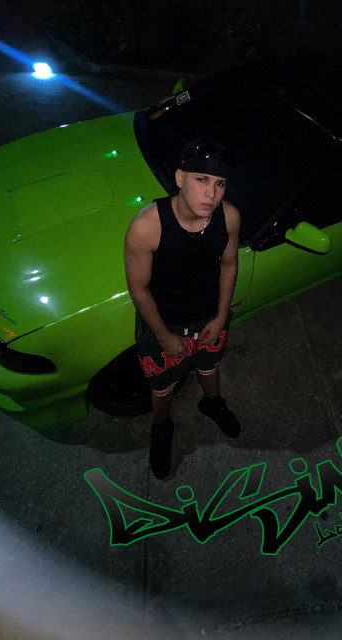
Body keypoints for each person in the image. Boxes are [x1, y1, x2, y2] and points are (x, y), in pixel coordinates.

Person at [124, 138, 241, 480]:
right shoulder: (147, 226)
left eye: (220, 183)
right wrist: (163, 336)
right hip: (165, 322)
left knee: (210, 366)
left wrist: (221, 315)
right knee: (162, 388)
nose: (211, 194)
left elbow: (229, 264)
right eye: (201, 179)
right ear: (179, 178)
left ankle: (212, 403)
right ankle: (162, 427)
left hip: (208, 315)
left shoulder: (229, 217)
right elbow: (139, 289)